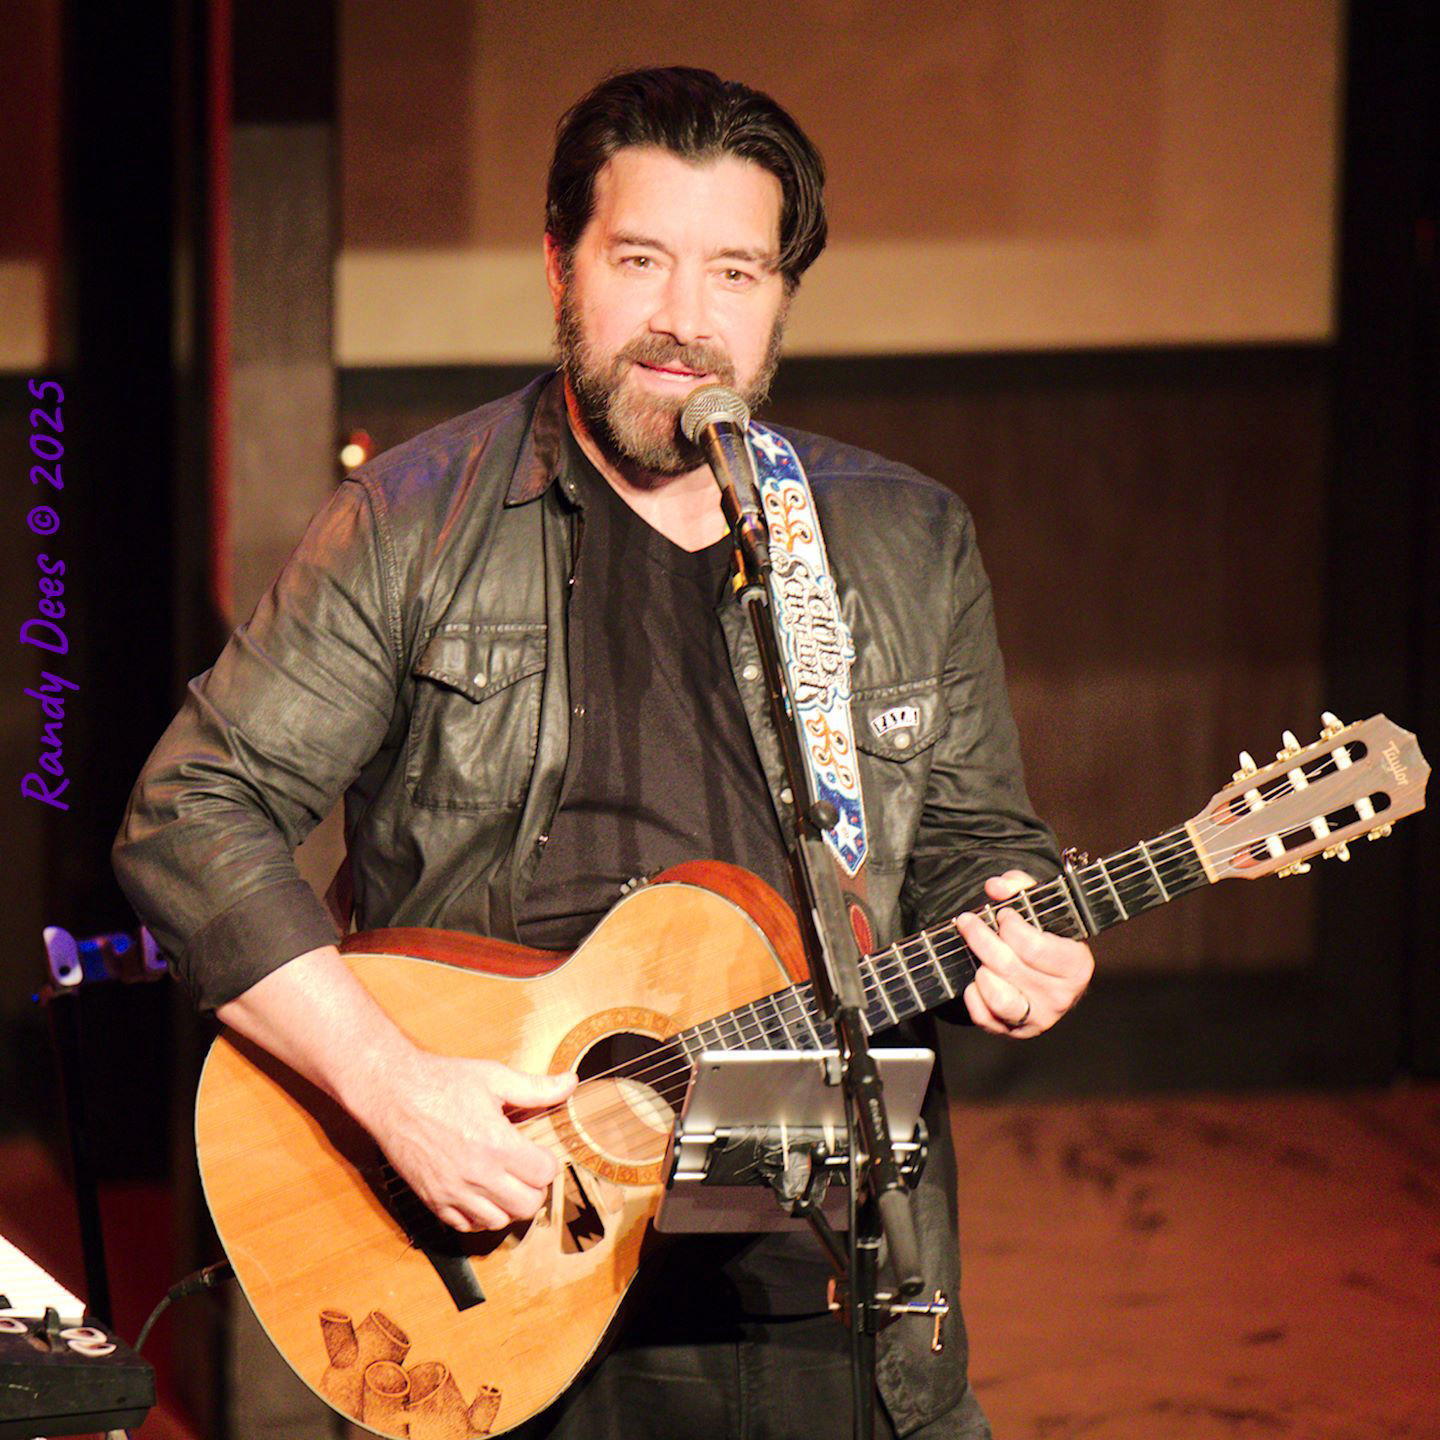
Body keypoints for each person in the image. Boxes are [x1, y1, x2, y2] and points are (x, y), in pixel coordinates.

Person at [114, 66, 1093, 1440]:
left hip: (821, 1265)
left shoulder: (902, 542)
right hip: (491, 1237)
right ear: (562, 266)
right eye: (642, 260)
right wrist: (397, 1097)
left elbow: (981, 846)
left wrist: (1024, 932)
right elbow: (188, 811)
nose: (685, 322)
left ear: (781, 301)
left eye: (736, 273)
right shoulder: (410, 523)